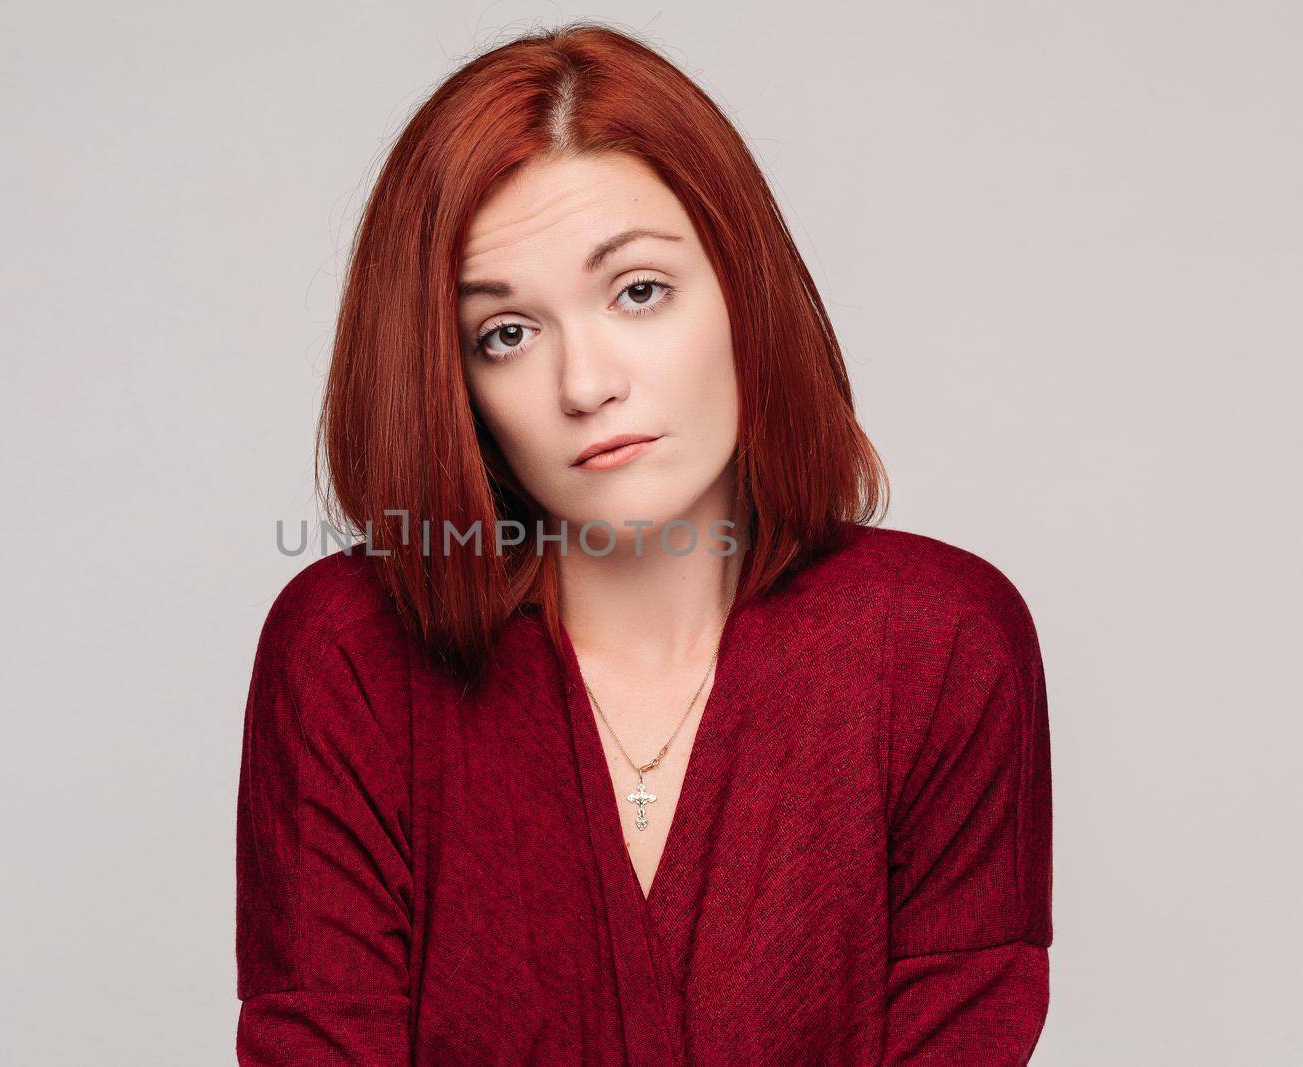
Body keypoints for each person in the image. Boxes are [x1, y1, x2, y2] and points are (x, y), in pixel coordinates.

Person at [236, 21, 1053, 1065]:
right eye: (506, 332)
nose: (585, 384)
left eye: (638, 291)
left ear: (742, 288)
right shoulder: (346, 653)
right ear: (454, 384)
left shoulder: (936, 646)